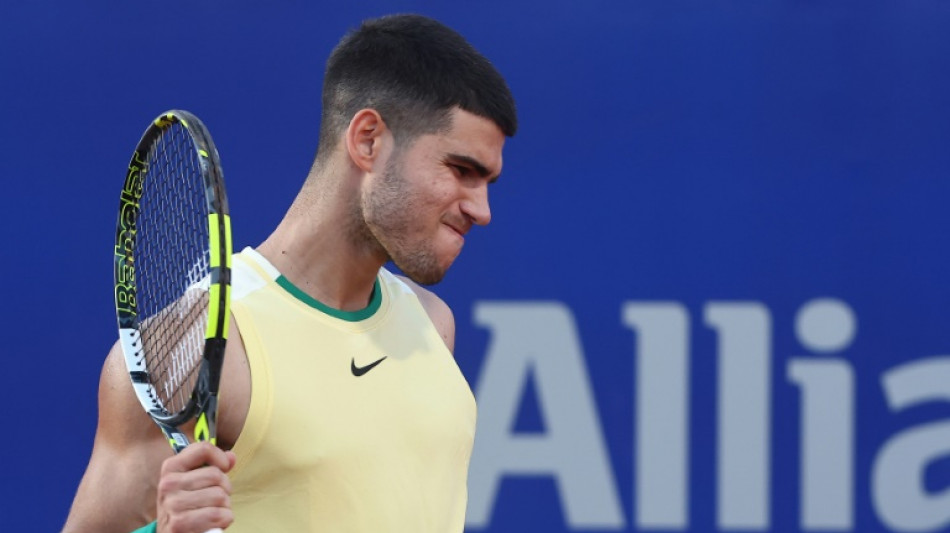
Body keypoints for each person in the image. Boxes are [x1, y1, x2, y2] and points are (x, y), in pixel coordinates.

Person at [62, 13, 517, 533]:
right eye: (461, 171)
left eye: (488, 181)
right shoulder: (191, 347)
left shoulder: (432, 324)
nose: (482, 210)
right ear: (368, 140)